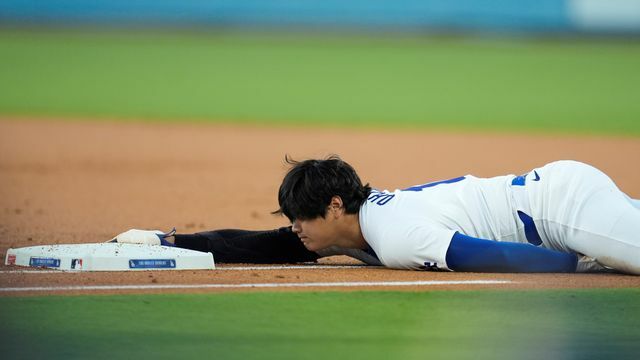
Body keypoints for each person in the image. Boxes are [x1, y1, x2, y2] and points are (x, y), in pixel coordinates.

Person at [112, 156, 640, 274]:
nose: (296, 227)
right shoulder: (349, 227)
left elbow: (498, 256)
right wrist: (168, 241)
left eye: (303, 216)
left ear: (335, 206)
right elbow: (262, 242)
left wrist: (581, 266)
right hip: (554, 205)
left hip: (563, 206)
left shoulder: (396, 236)